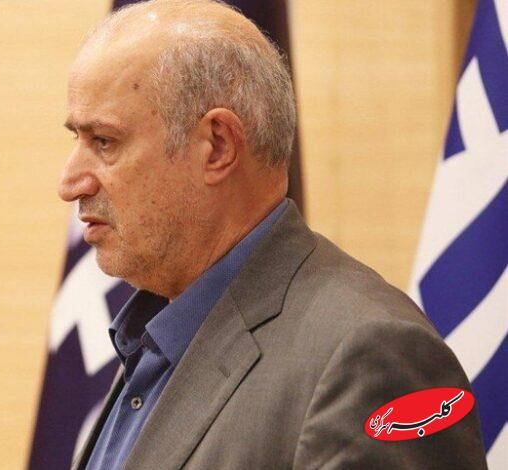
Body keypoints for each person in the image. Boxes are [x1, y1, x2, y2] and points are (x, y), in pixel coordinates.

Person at [57, 0, 488, 468]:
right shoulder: (153, 334)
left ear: (218, 146)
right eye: (77, 139)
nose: (70, 183)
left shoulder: (371, 356)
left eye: (105, 142)